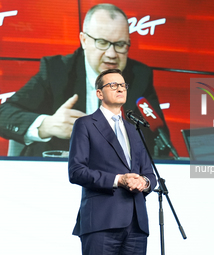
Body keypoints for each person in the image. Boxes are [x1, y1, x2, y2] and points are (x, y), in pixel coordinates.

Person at [0, 3, 169, 157]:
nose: (111, 54)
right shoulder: (56, 71)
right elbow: (4, 115)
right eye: (102, 42)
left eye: (120, 44)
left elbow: (160, 139)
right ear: (84, 40)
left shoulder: (139, 76)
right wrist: (48, 125)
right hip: (60, 175)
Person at [68, 69, 156, 255]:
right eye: (113, 85)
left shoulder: (135, 129)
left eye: (123, 85)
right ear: (99, 93)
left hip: (136, 225)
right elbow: (76, 171)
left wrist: (144, 182)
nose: (120, 89)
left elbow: (149, 173)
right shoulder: (85, 124)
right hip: (102, 221)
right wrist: (119, 180)